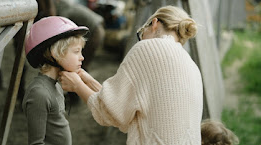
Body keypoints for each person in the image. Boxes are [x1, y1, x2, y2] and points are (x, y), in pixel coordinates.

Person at [59, 5, 203, 145]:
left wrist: (77, 86)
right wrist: (87, 80)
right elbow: (121, 105)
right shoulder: (192, 66)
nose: (142, 39)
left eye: (141, 34)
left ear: (154, 23)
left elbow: (110, 113)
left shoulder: (147, 48)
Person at [22, 16, 89, 145]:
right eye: (76, 52)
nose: (82, 58)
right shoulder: (39, 94)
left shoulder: (57, 85)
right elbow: (36, 143)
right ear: (55, 53)